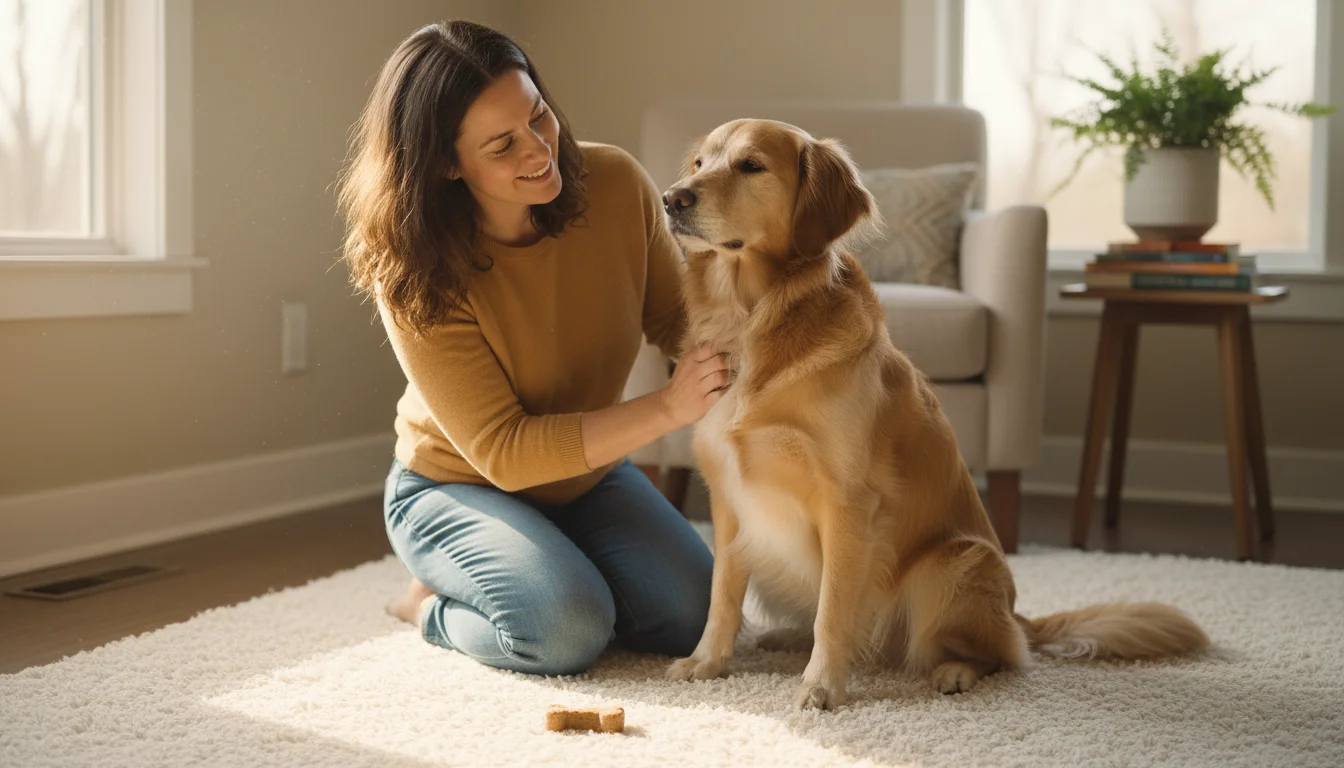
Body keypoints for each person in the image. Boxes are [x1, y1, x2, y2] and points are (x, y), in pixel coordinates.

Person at [336, 19, 728, 677]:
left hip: (589, 475)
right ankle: (427, 605)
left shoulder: (614, 183)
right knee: (565, 631)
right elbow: (506, 454)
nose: (539, 149)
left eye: (538, 116)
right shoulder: (410, 267)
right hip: (457, 484)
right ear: (445, 164)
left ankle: (551, 564)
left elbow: (675, 319)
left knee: (696, 618)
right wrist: (667, 409)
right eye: (502, 145)